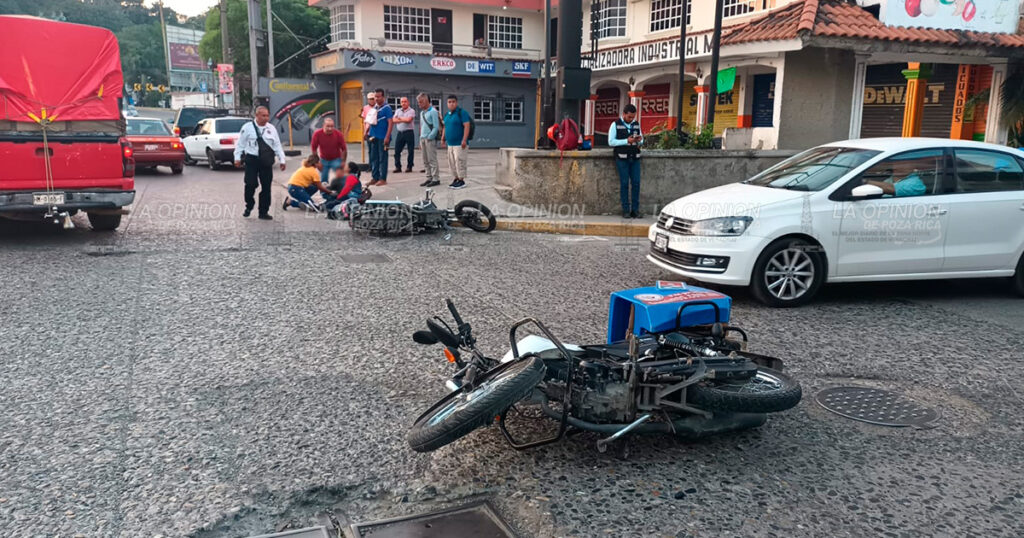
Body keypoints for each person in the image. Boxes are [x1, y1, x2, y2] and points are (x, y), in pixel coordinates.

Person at [234, 106, 286, 220]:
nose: (266, 118)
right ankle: (249, 205)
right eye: (263, 115)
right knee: (250, 184)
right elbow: (240, 144)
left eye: (267, 115)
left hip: (266, 161)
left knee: (266, 187)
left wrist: (282, 160)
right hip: (252, 160)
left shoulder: (271, 128)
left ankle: (263, 211)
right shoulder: (247, 128)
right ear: (257, 115)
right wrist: (237, 158)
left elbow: (277, 145)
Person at [608, 104, 643, 219]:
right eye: (629, 117)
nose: (631, 119)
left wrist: (639, 140)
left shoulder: (636, 125)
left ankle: (635, 210)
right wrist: (626, 141)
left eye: (633, 117)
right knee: (624, 184)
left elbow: (642, 141)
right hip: (622, 158)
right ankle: (626, 210)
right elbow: (611, 142)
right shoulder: (615, 125)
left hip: (635, 157)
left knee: (636, 183)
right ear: (624, 114)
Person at [442, 95, 470, 190]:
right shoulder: (447, 114)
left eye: (453, 102)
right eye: (449, 102)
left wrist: (464, 140)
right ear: (447, 103)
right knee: (452, 162)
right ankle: (456, 178)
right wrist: (443, 138)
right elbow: (445, 127)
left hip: (459, 143)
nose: (451, 103)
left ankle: (461, 180)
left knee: (460, 161)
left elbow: (467, 126)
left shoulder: (462, 113)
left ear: (456, 103)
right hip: (450, 144)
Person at [367, 88, 394, 187]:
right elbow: (371, 120)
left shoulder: (387, 108)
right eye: (375, 97)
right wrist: (367, 132)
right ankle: (375, 177)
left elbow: (391, 123)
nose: (377, 98)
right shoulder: (375, 108)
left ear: (383, 97)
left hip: (383, 137)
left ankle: (383, 178)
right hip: (373, 136)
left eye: (379, 96)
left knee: (383, 158)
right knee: (374, 157)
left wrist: (387, 136)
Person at [310, 117, 347, 184]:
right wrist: (317, 162)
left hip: (336, 159)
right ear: (323, 125)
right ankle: (324, 192)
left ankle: (340, 191)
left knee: (340, 177)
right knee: (323, 179)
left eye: (332, 126)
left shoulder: (338, 134)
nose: (330, 128)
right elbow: (314, 149)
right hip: (324, 159)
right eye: (328, 126)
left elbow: (344, 149)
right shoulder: (317, 134)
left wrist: (343, 161)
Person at [417, 93, 441, 187]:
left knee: (432, 159)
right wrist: (420, 138)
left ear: (426, 101)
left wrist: (430, 136)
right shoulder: (422, 113)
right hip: (423, 138)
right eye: (418, 102)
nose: (419, 104)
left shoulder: (433, 111)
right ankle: (429, 177)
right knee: (425, 160)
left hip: (430, 139)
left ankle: (436, 178)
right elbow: (422, 126)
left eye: (421, 102)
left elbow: (436, 126)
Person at [392, 97, 416, 173]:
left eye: (405, 101)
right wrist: (403, 119)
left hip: (409, 132)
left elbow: (409, 120)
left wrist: (399, 119)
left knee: (410, 151)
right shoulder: (398, 110)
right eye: (402, 102)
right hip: (400, 132)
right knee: (397, 151)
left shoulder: (411, 111)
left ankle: (409, 167)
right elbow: (393, 120)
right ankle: (398, 167)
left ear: (408, 102)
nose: (403, 103)